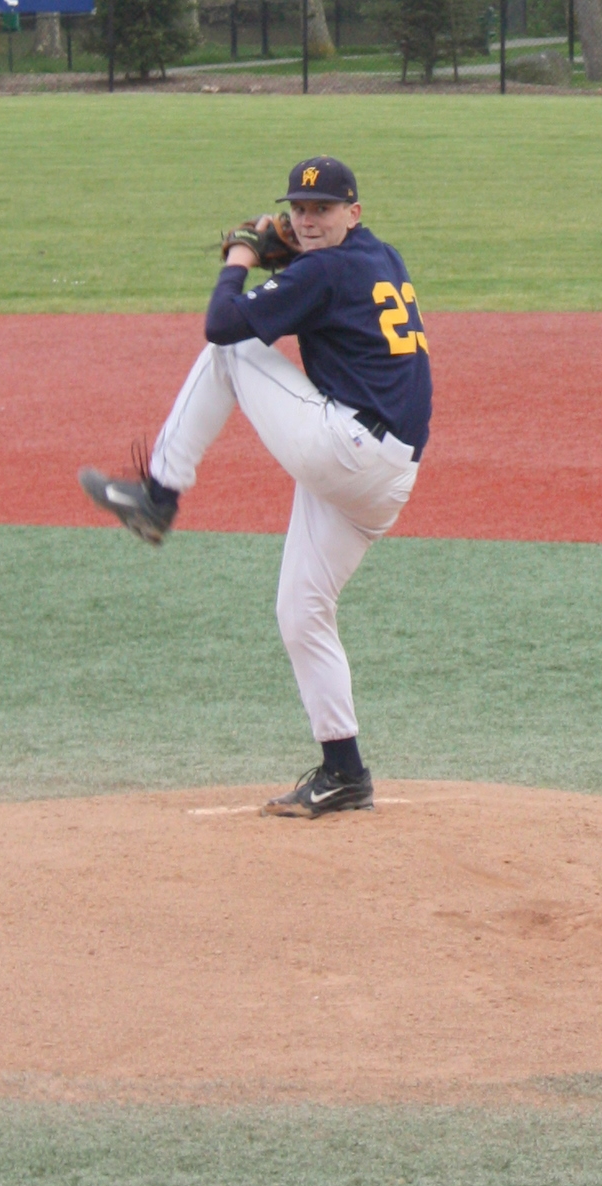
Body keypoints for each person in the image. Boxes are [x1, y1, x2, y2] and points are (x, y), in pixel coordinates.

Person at [79, 156, 432, 819]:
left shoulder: (323, 269)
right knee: (301, 611)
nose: (307, 219)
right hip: (386, 476)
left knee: (232, 351)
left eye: (323, 209)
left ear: (352, 213)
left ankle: (160, 494)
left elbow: (222, 322)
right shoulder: (379, 256)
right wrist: (287, 255)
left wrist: (241, 256)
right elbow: (318, 290)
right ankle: (344, 772)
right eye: (299, 210)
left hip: (347, 451)